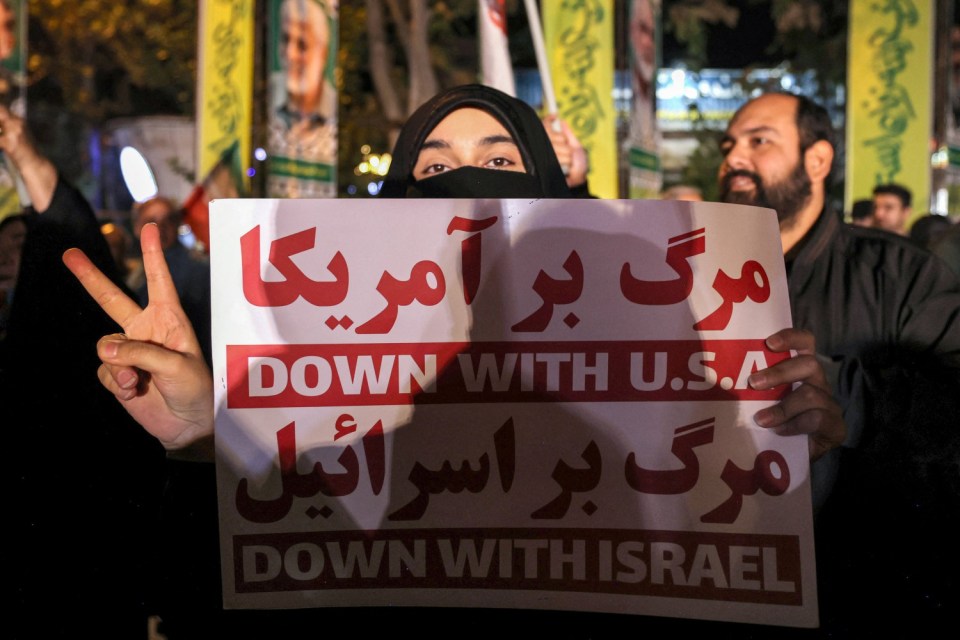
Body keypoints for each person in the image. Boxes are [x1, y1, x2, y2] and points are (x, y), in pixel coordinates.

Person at [64, 85, 844, 637]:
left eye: (502, 164)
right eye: (432, 170)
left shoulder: (660, 403)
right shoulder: (354, 415)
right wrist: (205, 439)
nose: (465, 188)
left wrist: (796, 448)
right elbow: (249, 579)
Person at [718, 91, 960, 635]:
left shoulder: (902, 277)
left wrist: (852, 402)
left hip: (861, 599)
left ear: (818, 159)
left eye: (759, 141)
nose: (734, 157)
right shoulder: (680, 279)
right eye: (729, 144)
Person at [0, 106, 167, 635]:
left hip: (74, 544)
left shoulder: (57, 322)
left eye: (23, 247)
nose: (11, 254)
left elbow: (66, 234)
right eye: (3, 245)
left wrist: (24, 155)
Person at [131, 195, 213, 366]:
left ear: (177, 225)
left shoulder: (197, 270)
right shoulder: (134, 270)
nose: (160, 227)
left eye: (169, 219)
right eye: (151, 221)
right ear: (137, 227)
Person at [268, 0, 337, 198]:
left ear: (323, 52)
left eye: (302, 44)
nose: (290, 54)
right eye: (285, 39)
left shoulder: (332, 113)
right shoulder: (273, 94)